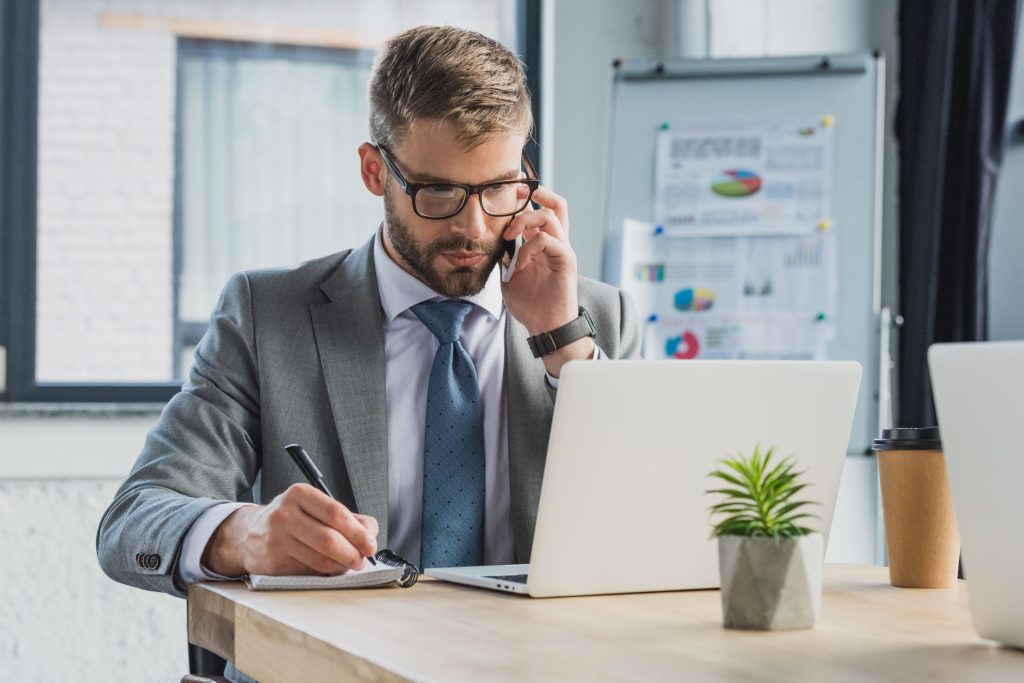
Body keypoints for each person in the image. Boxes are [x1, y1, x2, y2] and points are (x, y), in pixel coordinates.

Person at [97, 25, 640, 602]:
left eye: (498, 188)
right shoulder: (267, 317)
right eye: (437, 192)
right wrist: (243, 534)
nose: (473, 228)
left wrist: (564, 343)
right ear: (374, 171)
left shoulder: (596, 320)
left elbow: (652, 525)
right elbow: (132, 521)